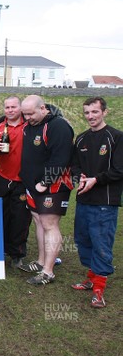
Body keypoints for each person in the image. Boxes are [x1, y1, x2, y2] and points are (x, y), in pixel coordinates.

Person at [70, 97, 123, 307]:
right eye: (87, 113)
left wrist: (96, 180)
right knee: (84, 240)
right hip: (84, 199)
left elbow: (119, 170)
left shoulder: (116, 137)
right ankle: (91, 279)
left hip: (105, 201)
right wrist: (79, 178)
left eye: (95, 112)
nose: (90, 116)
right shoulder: (81, 139)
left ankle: (99, 289)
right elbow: (73, 166)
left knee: (101, 242)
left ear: (104, 112)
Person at [18, 94, 74, 286]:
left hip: (53, 185)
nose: (27, 118)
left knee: (49, 224)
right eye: (24, 114)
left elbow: (61, 157)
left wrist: (45, 182)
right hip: (32, 186)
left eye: (30, 114)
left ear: (43, 108)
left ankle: (48, 272)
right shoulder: (31, 124)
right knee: (38, 221)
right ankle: (41, 261)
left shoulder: (58, 126)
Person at [0, 96, 31, 269]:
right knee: (2, 216)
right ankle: (1, 250)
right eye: (7, 107)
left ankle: (17, 255)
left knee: (21, 219)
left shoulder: (29, 125)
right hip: (3, 179)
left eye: (14, 107)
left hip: (23, 181)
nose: (10, 110)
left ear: (20, 108)